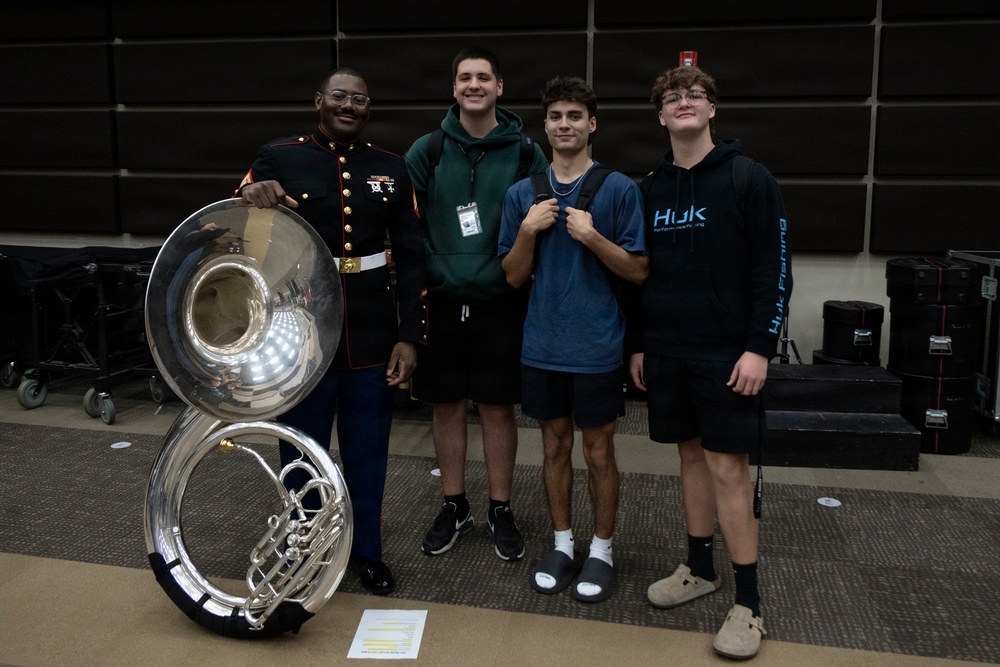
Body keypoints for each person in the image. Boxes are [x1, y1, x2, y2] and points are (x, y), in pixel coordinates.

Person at [236, 67, 426, 596]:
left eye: (359, 100)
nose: (350, 106)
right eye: (339, 97)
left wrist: (410, 335)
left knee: (368, 453)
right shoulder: (279, 157)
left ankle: (366, 552)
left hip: (371, 336)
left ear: (368, 109)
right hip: (302, 335)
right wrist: (254, 194)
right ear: (318, 100)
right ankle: (307, 549)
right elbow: (236, 213)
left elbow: (411, 257)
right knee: (301, 454)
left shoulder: (391, 167)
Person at [628, 65, 792, 659]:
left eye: (695, 95)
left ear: (712, 108)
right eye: (672, 98)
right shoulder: (650, 189)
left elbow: (774, 272)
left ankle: (749, 604)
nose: (684, 103)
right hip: (669, 351)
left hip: (729, 356)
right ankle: (700, 569)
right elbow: (644, 277)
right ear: (661, 115)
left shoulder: (750, 178)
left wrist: (760, 348)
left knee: (729, 470)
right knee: (690, 459)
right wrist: (641, 343)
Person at [499, 76, 648, 603]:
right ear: (546, 126)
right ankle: (563, 544)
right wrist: (526, 231)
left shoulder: (619, 189)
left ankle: (601, 550)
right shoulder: (522, 194)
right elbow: (514, 277)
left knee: (599, 451)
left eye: (575, 116)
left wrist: (591, 236)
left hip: (596, 347)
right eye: (557, 116)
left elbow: (636, 271)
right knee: (554, 446)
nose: (566, 124)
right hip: (542, 346)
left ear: (592, 124)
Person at [404, 47, 548, 563]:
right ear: (454, 87)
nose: (474, 85)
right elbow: (406, 223)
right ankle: (454, 503)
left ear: (499, 87)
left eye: (483, 78)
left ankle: (501, 508)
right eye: (465, 78)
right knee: (445, 405)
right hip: (442, 299)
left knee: (496, 406)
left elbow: (540, 228)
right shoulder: (429, 149)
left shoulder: (528, 152)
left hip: (502, 301)